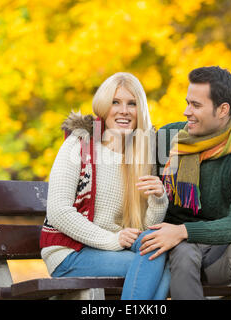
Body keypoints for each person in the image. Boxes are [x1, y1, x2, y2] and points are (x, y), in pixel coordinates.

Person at [40, 72, 170, 300]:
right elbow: (58, 211)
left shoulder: (140, 157)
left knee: (156, 251)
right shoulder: (80, 144)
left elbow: (145, 228)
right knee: (153, 261)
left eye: (132, 104)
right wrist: (113, 240)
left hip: (114, 251)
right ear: (103, 106)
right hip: (70, 252)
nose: (124, 111)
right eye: (115, 102)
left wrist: (158, 199)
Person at [140, 66, 231, 299]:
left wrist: (184, 231)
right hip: (174, 252)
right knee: (184, 252)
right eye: (188, 102)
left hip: (219, 253)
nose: (186, 111)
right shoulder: (168, 138)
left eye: (196, 105)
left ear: (223, 110)